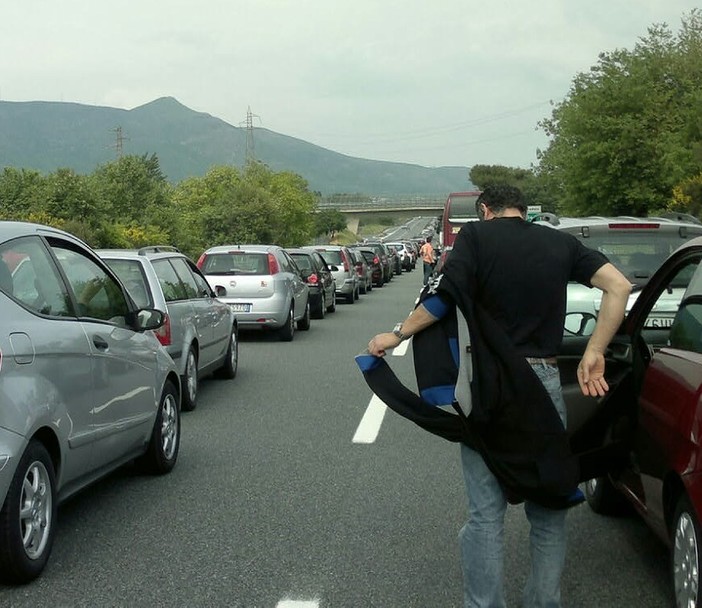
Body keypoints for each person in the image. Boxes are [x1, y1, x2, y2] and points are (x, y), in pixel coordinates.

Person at [367, 185, 631, 608]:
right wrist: (595, 351)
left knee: (485, 515)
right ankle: (544, 602)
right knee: (549, 504)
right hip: (543, 383)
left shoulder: (474, 238)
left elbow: (441, 300)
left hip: (487, 385)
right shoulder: (560, 242)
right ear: (524, 211)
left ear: (485, 210)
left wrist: (394, 335)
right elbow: (618, 286)